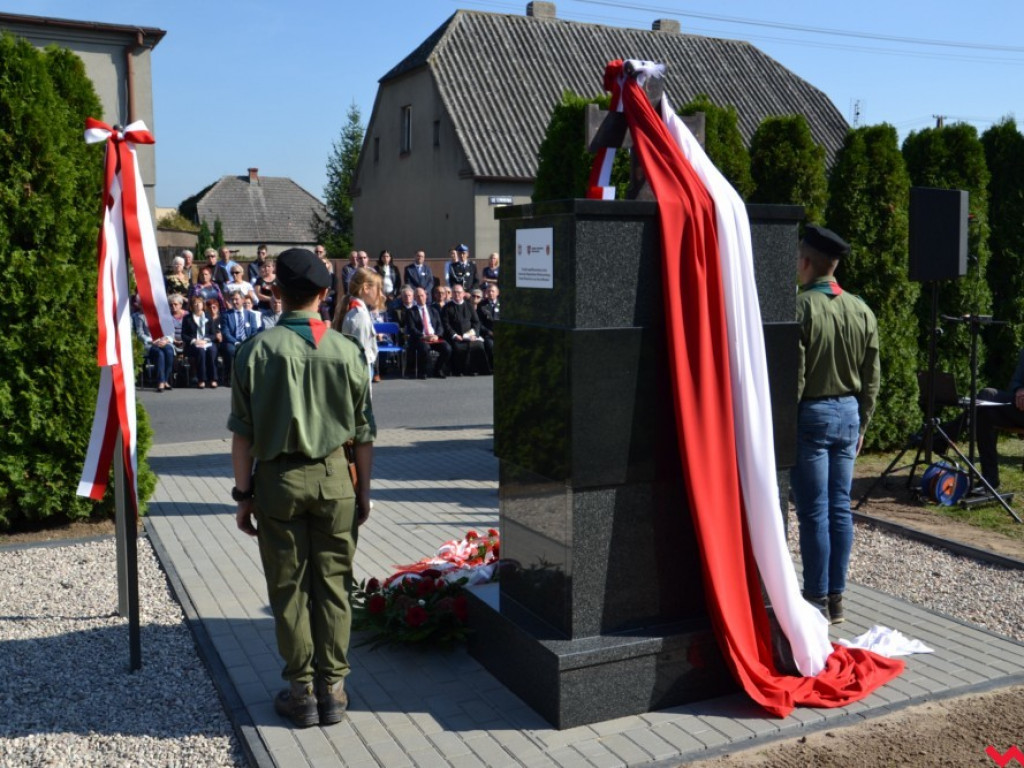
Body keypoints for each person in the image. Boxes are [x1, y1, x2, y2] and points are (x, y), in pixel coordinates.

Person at [229, 247, 373, 729]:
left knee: (289, 589)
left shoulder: (254, 351)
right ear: (324, 294)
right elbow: (365, 435)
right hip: (337, 480)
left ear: (275, 293)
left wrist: (243, 495)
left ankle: (301, 692)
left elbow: (243, 436)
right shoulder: (347, 351)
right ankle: (334, 689)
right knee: (334, 586)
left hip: (278, 482)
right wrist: (364, 494)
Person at [791, 225, 880, 626]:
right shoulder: (861, 308)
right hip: (848, 415)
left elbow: (796, 374)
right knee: (839, 509)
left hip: (812, 414)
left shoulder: (800, 307)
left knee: (814, 513)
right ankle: (838, 598)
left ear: (806, 262)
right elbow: (873, 374)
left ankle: (816, 599)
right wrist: (862, 423)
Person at [975, 348, 1024, 490]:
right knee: (985, 413)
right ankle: (990, 479)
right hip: (1020, 409)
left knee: (986, 396)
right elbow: (1016, 381)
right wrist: (1019, 390)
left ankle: (940, 437)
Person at [333, 267, 383, 386]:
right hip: (360, 371)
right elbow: (360, 356)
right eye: (378, 289)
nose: (380, 294)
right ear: (366, 288)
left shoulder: (357, 310)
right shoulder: (359, 315)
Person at [406, 286, 451, 379]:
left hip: (434, 337)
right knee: (425, 348)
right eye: (418, 296)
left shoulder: (433, 310)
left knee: (447, 348)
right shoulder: (411, 312)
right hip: (420, 338)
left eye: (422, 295)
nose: (420, 298)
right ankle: (423, 371)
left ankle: (438, 369)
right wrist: (424, 336)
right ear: (414, 298)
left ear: (426, 296)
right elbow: (412, 328)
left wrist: (437, 335)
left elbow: (440, 326)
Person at [132, 297, 175, 392]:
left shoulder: (163, 315)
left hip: (163, 341)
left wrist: (167, 340)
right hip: (150, 343)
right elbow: (140, 333)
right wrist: (152, 341)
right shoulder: (138, 316)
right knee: (160, 354)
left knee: (169, 351)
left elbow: (170, 331)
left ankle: (165, 379)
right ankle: (161, 381)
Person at [442, 283, 486, 375]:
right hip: (456, 337)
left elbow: (476, 322)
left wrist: (474, 334)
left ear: (463, 294)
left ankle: (475, 369)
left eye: (459, 292)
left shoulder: (469, 306)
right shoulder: (446, 307)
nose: (457, 294)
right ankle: (459, 370)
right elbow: (446, 324)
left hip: (469, 336)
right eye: (454, 292)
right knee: (459, 348)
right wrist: (454, 335)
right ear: (452, 294)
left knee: (479, 346)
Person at [222, 290, 263, 383]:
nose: (235, 302)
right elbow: (225, 332)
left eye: (237, 299)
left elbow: (254, 331)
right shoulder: (226, 315)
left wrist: (246, 342)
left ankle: (252, 377)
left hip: (247, 341)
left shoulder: (250, 315)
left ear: (243, 299)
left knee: (254, 349)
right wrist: (236, 342)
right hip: (233, 342)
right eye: (232, 300)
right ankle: (231, 377)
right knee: (230, 350)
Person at [182, 295, 218, 388]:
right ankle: (201, 379)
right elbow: (184, 335)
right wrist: (194, 341)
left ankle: (213, 379)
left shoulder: (208, 316)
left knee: (212, 350)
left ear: (203, 304)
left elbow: (213, 334)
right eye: (195, 303)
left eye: (199, 303)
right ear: (191, 306)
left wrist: (205, 340)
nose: (197, 305)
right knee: (200, 352)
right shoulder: (187, 318)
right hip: (194, 344)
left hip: (207, 342)